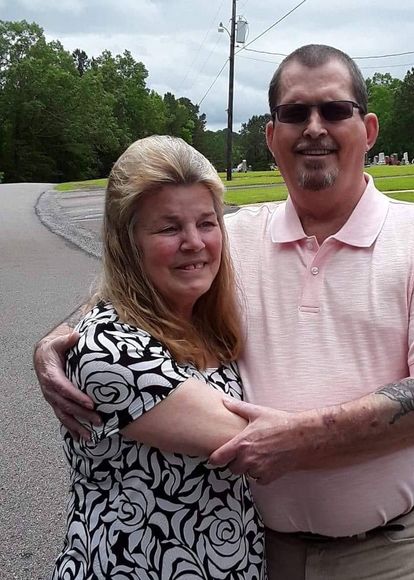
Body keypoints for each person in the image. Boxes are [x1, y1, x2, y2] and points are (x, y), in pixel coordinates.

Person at [36, 45, 414, 580]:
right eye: (294, 113)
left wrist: (302, 438)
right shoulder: (232, 237)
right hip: (260, 553)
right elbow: (134, 289)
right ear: (272, 136)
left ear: (368, 129)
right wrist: (61, 338)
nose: (314, 127)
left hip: (388, 555)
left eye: (333, 109)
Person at [48, 135, 265, 579]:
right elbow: (262, 442)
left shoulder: (208, 326)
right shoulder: (108, 350)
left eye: (206, 223)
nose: (194, 242)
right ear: (128, 242)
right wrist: (393, 428)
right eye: (169, 228)